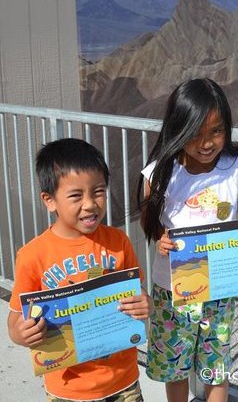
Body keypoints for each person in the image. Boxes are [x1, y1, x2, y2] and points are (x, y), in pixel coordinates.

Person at [138, 78, 238, 402]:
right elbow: (149, 221)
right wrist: (160, 239)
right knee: (174, 367)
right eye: (195, 134)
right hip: (171, 290)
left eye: (216, 131)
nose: (206, 143)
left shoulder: (236, 165)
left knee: (215, 366)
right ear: (178, 130)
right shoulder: (159, 173)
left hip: (219, 288)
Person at [8, 138, 152, 402]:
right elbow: (16, 317)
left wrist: (145, 303)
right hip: (68, 390)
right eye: (76, 195)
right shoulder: (31, 256)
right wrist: (20, 333)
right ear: (49, 200)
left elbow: (138, 293)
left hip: (123, 382)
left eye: (98, 191)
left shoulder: (119, 242)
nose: (90, 204)